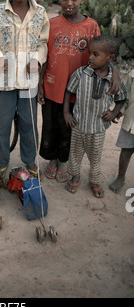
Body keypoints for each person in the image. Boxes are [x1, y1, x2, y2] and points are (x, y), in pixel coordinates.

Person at [0, 0, 49, 184]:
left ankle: (30, 162)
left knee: (28, 123)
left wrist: (37, 60)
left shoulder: (40, 13)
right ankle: (1, 164)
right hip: (4, 81)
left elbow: (43, 43)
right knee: (2, 125)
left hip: (27, 81)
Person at [38, 0, 101, 182]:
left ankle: (64, 161)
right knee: (50, 127)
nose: (69, 3)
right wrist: (40, 85)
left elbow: (100, 56)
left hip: (77, 92)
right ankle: (52, 159)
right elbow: (44, 55)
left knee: (69, 130)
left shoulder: (91, 26)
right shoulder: (52, 24)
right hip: (51, 87)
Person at [63, 35, 127, 198]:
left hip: (98, 129)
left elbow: (121, 98)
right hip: (78, 125)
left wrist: (113, 112)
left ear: (110, 58)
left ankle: (94, 181)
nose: (90, 57)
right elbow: (69, 91)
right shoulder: (81, 74)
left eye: (96, 54)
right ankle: (75, 176)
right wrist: (66, 113)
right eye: (90, 53)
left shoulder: (113, 81)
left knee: (95, 158)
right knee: (75, 155)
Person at [109, 69, 134, 194]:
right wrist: (119, 112)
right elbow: (127, 96)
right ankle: (121, 177)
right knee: (126, 150)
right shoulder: (132, 74)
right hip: (131, 121)